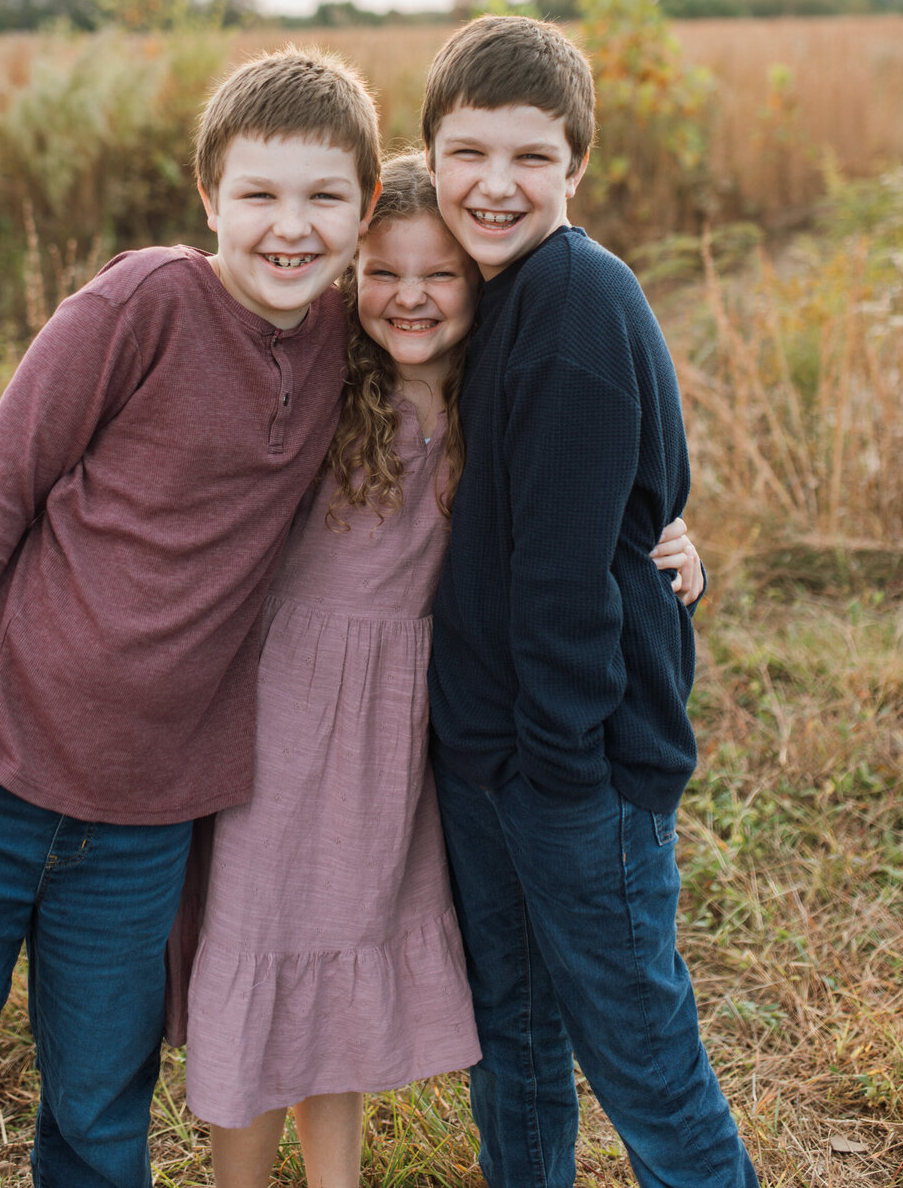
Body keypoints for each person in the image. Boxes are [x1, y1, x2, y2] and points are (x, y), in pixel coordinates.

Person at [0, 46, 381, 1188]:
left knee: (97, 1123)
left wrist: (657, 517)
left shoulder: (349, 342)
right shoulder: (139, 305)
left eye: (324, 197)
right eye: (259, 194)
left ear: (364, 209)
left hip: (143, 818)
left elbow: (485, 393)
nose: (291, 226)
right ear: (207, 196)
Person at [175, 153, 705, 1188]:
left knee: (338, 964)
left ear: (480, 284)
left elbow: (583, 498)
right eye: (383, 272)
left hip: (405, 729)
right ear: (351, 276)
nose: (410, 297)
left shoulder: (495, 400)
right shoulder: (321, 386)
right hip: (285, 726)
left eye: (441, 275)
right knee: (265, 951)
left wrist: (671, 534)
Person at [421, 16, 759, 1188]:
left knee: (643, 1059)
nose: (496, 185)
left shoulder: (571, 299)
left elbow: (564, 591)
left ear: (577, 168)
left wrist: (558, 776)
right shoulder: (492, 291)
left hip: (574, 774)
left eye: (531, 159)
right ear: (429, 155)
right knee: (512, 1041)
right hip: (490, 757)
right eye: (469, 154)